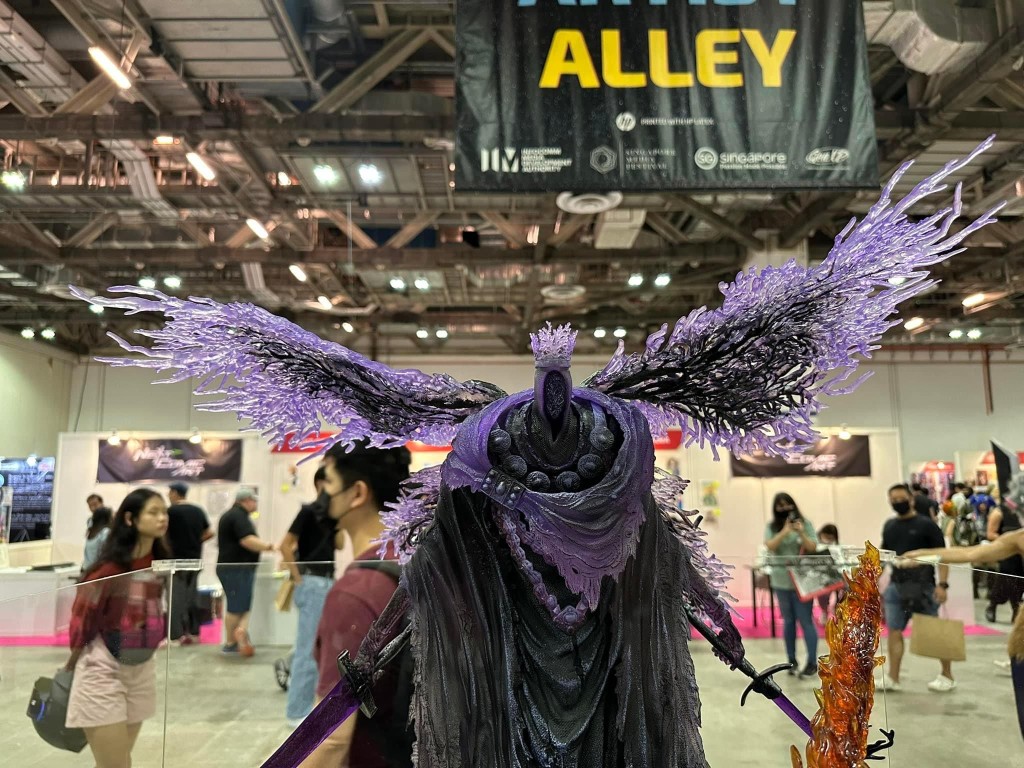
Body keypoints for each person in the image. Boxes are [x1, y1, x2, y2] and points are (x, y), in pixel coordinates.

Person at [303, 442, 412, 768]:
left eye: (328, 483)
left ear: (357, 493)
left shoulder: (355, 593)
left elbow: (331, 740)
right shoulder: (418, 561)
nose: (321, 495)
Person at [65, 488, 169, 768]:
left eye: (164, 512)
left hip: (141, 664)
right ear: (130, 519)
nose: (162, 518)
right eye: (153, 512)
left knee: (122, 760)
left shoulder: (158, 564)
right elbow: (82, 618)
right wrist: (73, 662)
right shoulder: (108, 570)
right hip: (103, 667)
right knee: (115, 765)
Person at [879, 484, 956, 693]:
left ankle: (947, 675)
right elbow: (884, 556)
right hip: (896, 587)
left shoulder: (927, 526)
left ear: (911, 499)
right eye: (893, 500)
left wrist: (942, 585)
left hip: (924, 587)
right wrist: (872, 583)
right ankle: (893, 677)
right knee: (894, 631)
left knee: (935, 632)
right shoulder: (890, 526)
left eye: (901, 498)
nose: (898, 502)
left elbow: (943, 557)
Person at [279, 467, 335, 727]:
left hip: (325, 581)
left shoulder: (330, 516)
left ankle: (305, 706)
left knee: (314, 647)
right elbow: (285, 545)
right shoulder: (308, 511)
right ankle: (297, 712)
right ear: (321, 483)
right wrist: (298, 577)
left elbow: (340, 545)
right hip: (312, 582)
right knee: (307, 649)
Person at [764, 492, 819, 677]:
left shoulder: (806, 523)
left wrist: (801, 532)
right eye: (780, 505)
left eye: (787, 504)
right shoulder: (772, 526)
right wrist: (785, 531)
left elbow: (812, 546)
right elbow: (770, 545)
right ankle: (791, 660)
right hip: (781, 580)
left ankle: (812, 662)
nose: (785, 508)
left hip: (802, 582)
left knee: (806, 620)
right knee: (788, 620)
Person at [216, 488, 275, 657]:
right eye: (254, 501)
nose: (256, 504)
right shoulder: (238, 516)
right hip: (236, 569)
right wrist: (269, 547)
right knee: (236, 607)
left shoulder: (234, 515)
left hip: (237, 569)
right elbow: (247, 540)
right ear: (247, 500)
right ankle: (231, 643)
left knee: (242, 605)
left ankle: (240, 632)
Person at [166, 482, 214, 644]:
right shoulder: (198, 511)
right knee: (192, 597)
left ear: (175, 493)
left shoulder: (170, 512)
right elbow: (209, 533)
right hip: (195, 559)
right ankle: (194, 631)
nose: (168, 495)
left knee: (175, 599)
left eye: (169, 492)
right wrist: (195, 541)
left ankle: (176, 635)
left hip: (175, 562)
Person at [985, 501, 1023, 623]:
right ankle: (993, 605)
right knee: (1005, 579)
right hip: (1007, 554)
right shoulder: (999, 512)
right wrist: (1010, 542)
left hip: (1021, 554)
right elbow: (990, 534)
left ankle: (1016, 610)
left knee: (1020, 581)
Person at [815, 524, 842, 624]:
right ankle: (824, 611)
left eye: (830, 538)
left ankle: (838, 608)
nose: (827, 540)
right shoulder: (816, 547)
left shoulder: (838, 548)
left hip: (837, 576)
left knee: (848, 589)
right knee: (822, 593)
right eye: (825, 537)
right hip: (822, 578)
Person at [82, 506, 113, 573]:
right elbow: (103, 555)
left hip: (86, 569)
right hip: (95, 570)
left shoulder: (91, 532)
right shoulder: (105, 532)